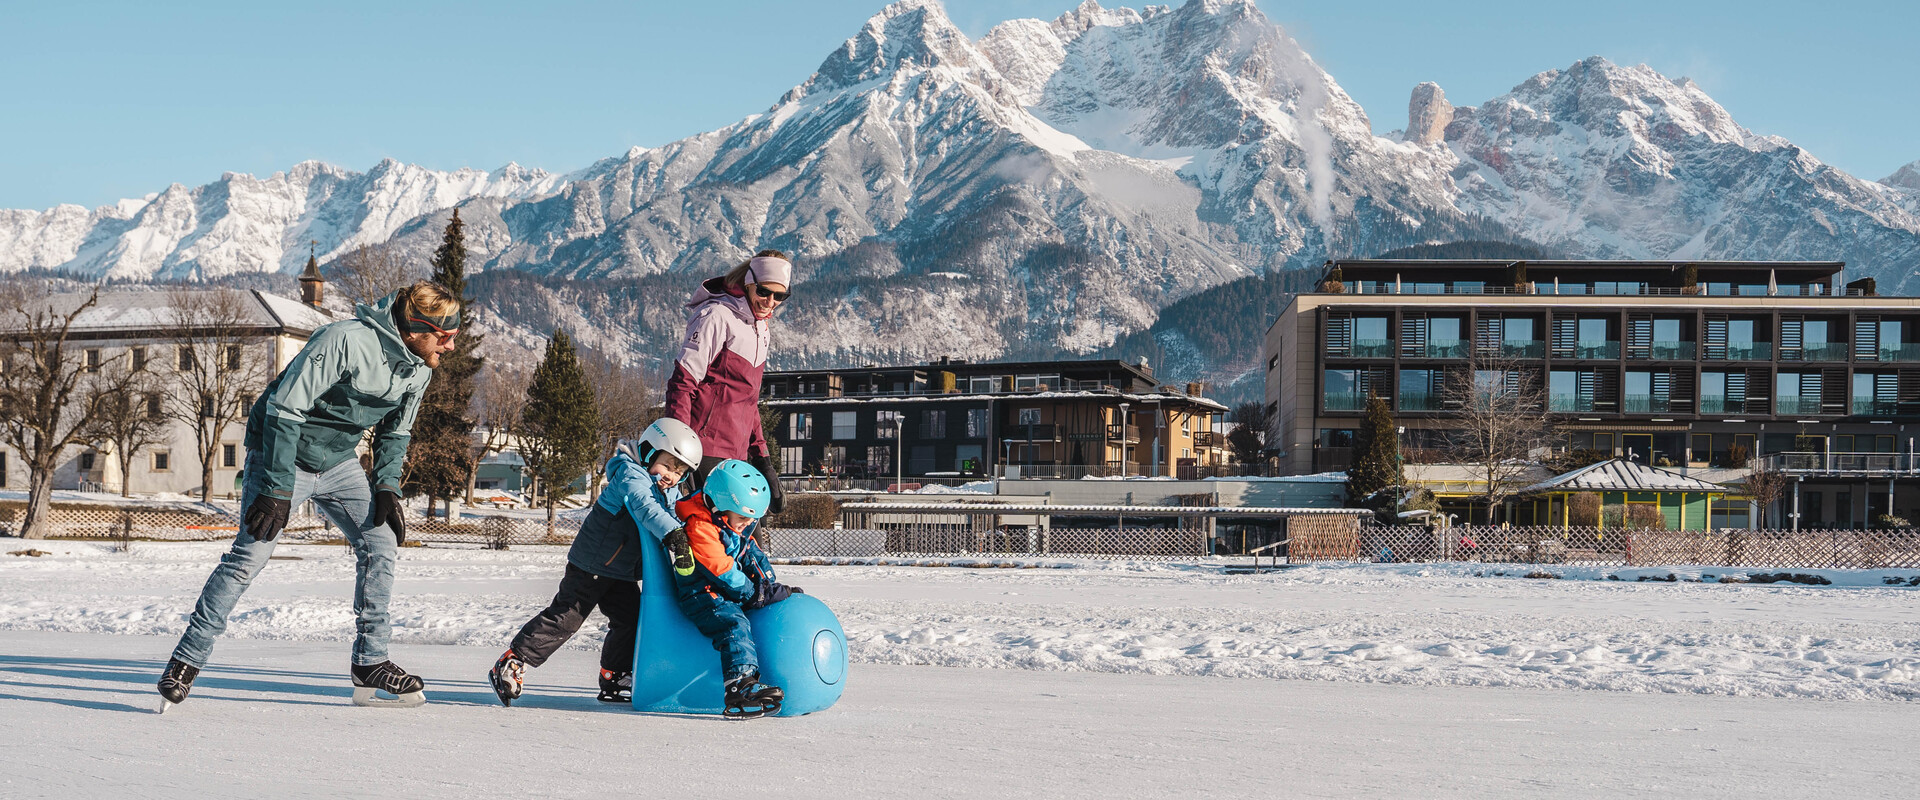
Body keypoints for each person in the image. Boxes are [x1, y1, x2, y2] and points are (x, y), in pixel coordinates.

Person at [157, 281, 460, 710]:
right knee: (250, 557)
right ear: (415, 329)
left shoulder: (419, 368)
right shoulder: (344, 340)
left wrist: (388, 486)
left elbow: (397, 431)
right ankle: (186, 660)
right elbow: (283, 408)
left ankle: (370, 662)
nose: (450, 347)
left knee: (381, 544)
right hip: (281, 454)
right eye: (445, 337)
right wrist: (277, 488)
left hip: (337, 463)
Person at [487, 419, 703, 707]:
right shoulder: (631, 476)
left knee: (630, 619)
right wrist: (673, 535)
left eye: (680, 471)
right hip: (591, 566)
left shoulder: (666, 489)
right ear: (650, 451)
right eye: (668, 465)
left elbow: (675, 513)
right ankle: (512, 661)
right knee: (566, 617)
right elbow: (647, 508)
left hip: (621, 572)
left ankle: (614, 676)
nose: (672, 476)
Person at [671, 459, 801, 718]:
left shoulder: (731, 524)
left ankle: (751, 679)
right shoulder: (700, 526)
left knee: (744, 613)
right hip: (701, 593)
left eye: (751, 519)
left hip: (721, 591)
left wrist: (769, 587)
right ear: (719, 505)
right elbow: (722, 569)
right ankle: (739, 685)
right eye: (742, 517)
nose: (746, 524)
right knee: (733, 622)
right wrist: (754, 593)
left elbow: (752, 553)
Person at [664, 250, 791, 512]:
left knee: (748, 544)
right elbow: (682, 383)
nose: (770, 301)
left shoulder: (761, 328)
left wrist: (762, 459)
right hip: (704, 448)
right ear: (748, 282)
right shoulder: (716, 316)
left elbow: (748, 401)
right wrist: (678, 450)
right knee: (715, 543)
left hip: (738, 453)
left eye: (780, 296)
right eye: (765, 291)